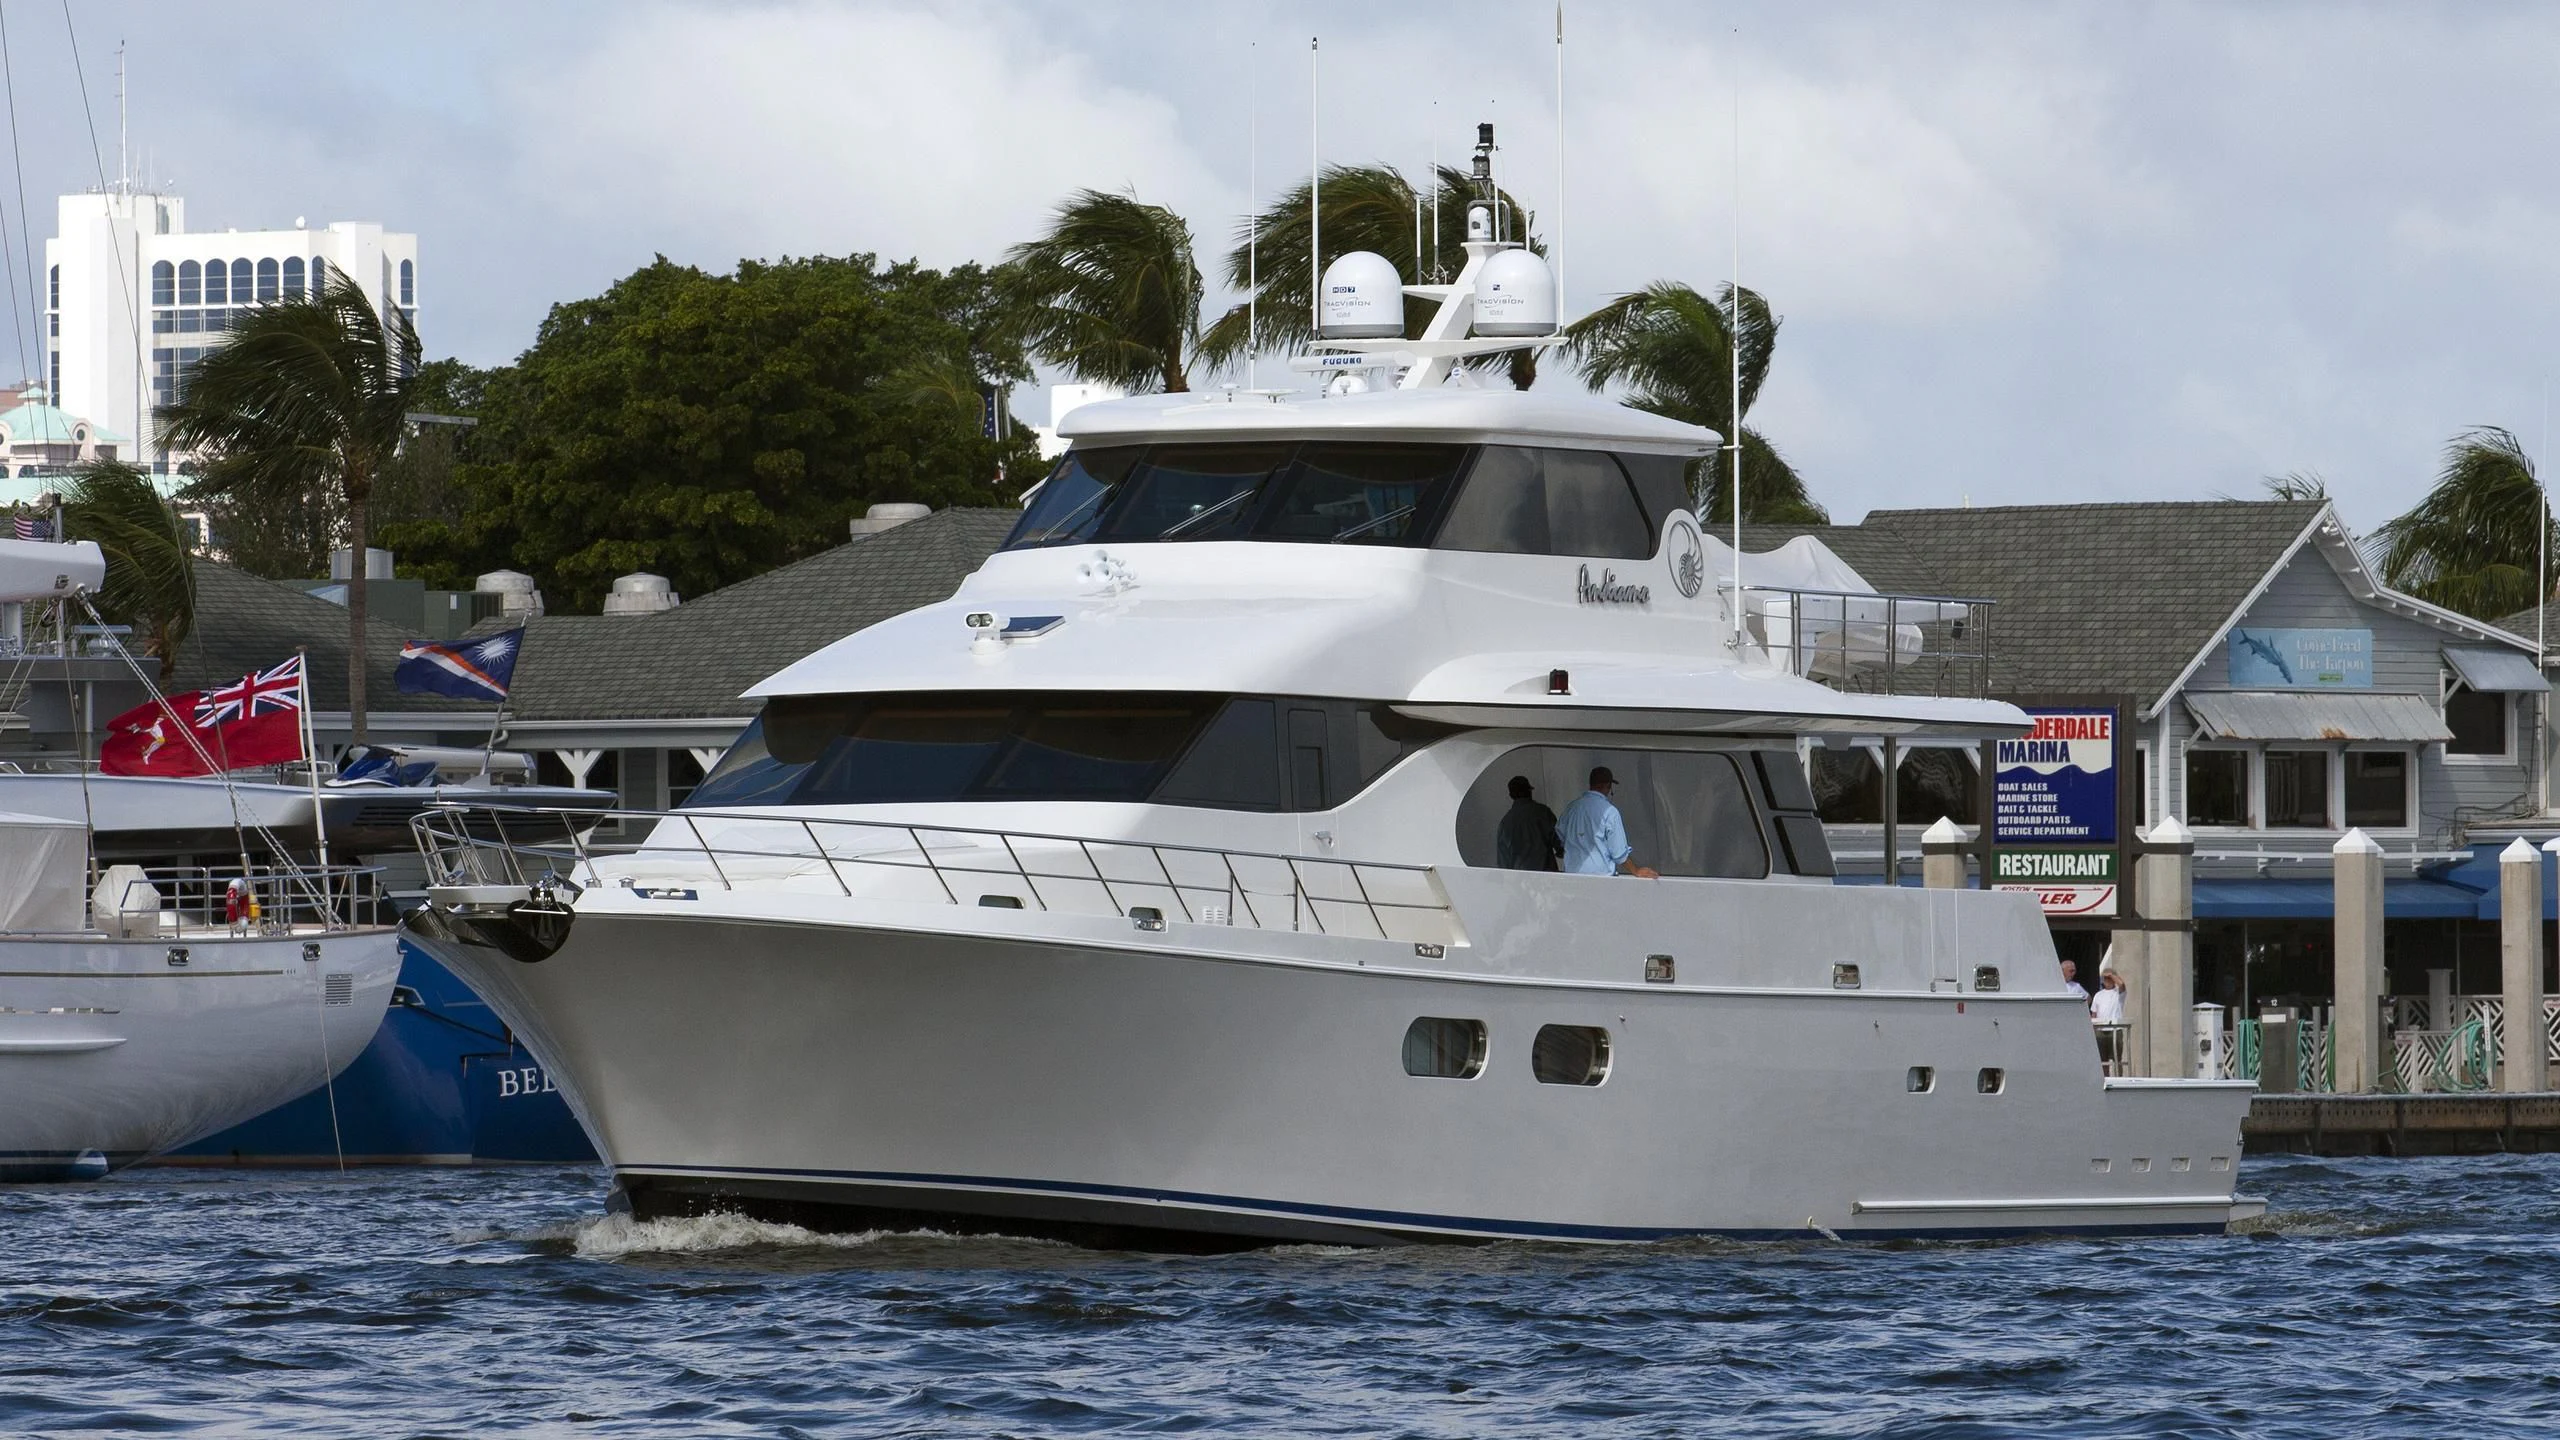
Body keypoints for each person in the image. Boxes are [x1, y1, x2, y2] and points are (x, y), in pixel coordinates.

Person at [1559, 766, 1659, 878]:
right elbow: (1619, 853)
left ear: (1591, 784)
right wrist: (1636, 871)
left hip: (1571, 877)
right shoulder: (1610, 812)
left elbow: (1560, 836)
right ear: (1608, 786)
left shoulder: (1572, 808)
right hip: (1601, 880)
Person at [1494, 775, 1563, 871]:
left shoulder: (1505, 823)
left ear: (1511, 795)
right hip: (1547, 874)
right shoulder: (1543, 812)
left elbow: (1503, 862)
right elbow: (1559, 840)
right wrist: (1561, 852)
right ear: (1529, 791)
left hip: (1521, 879)